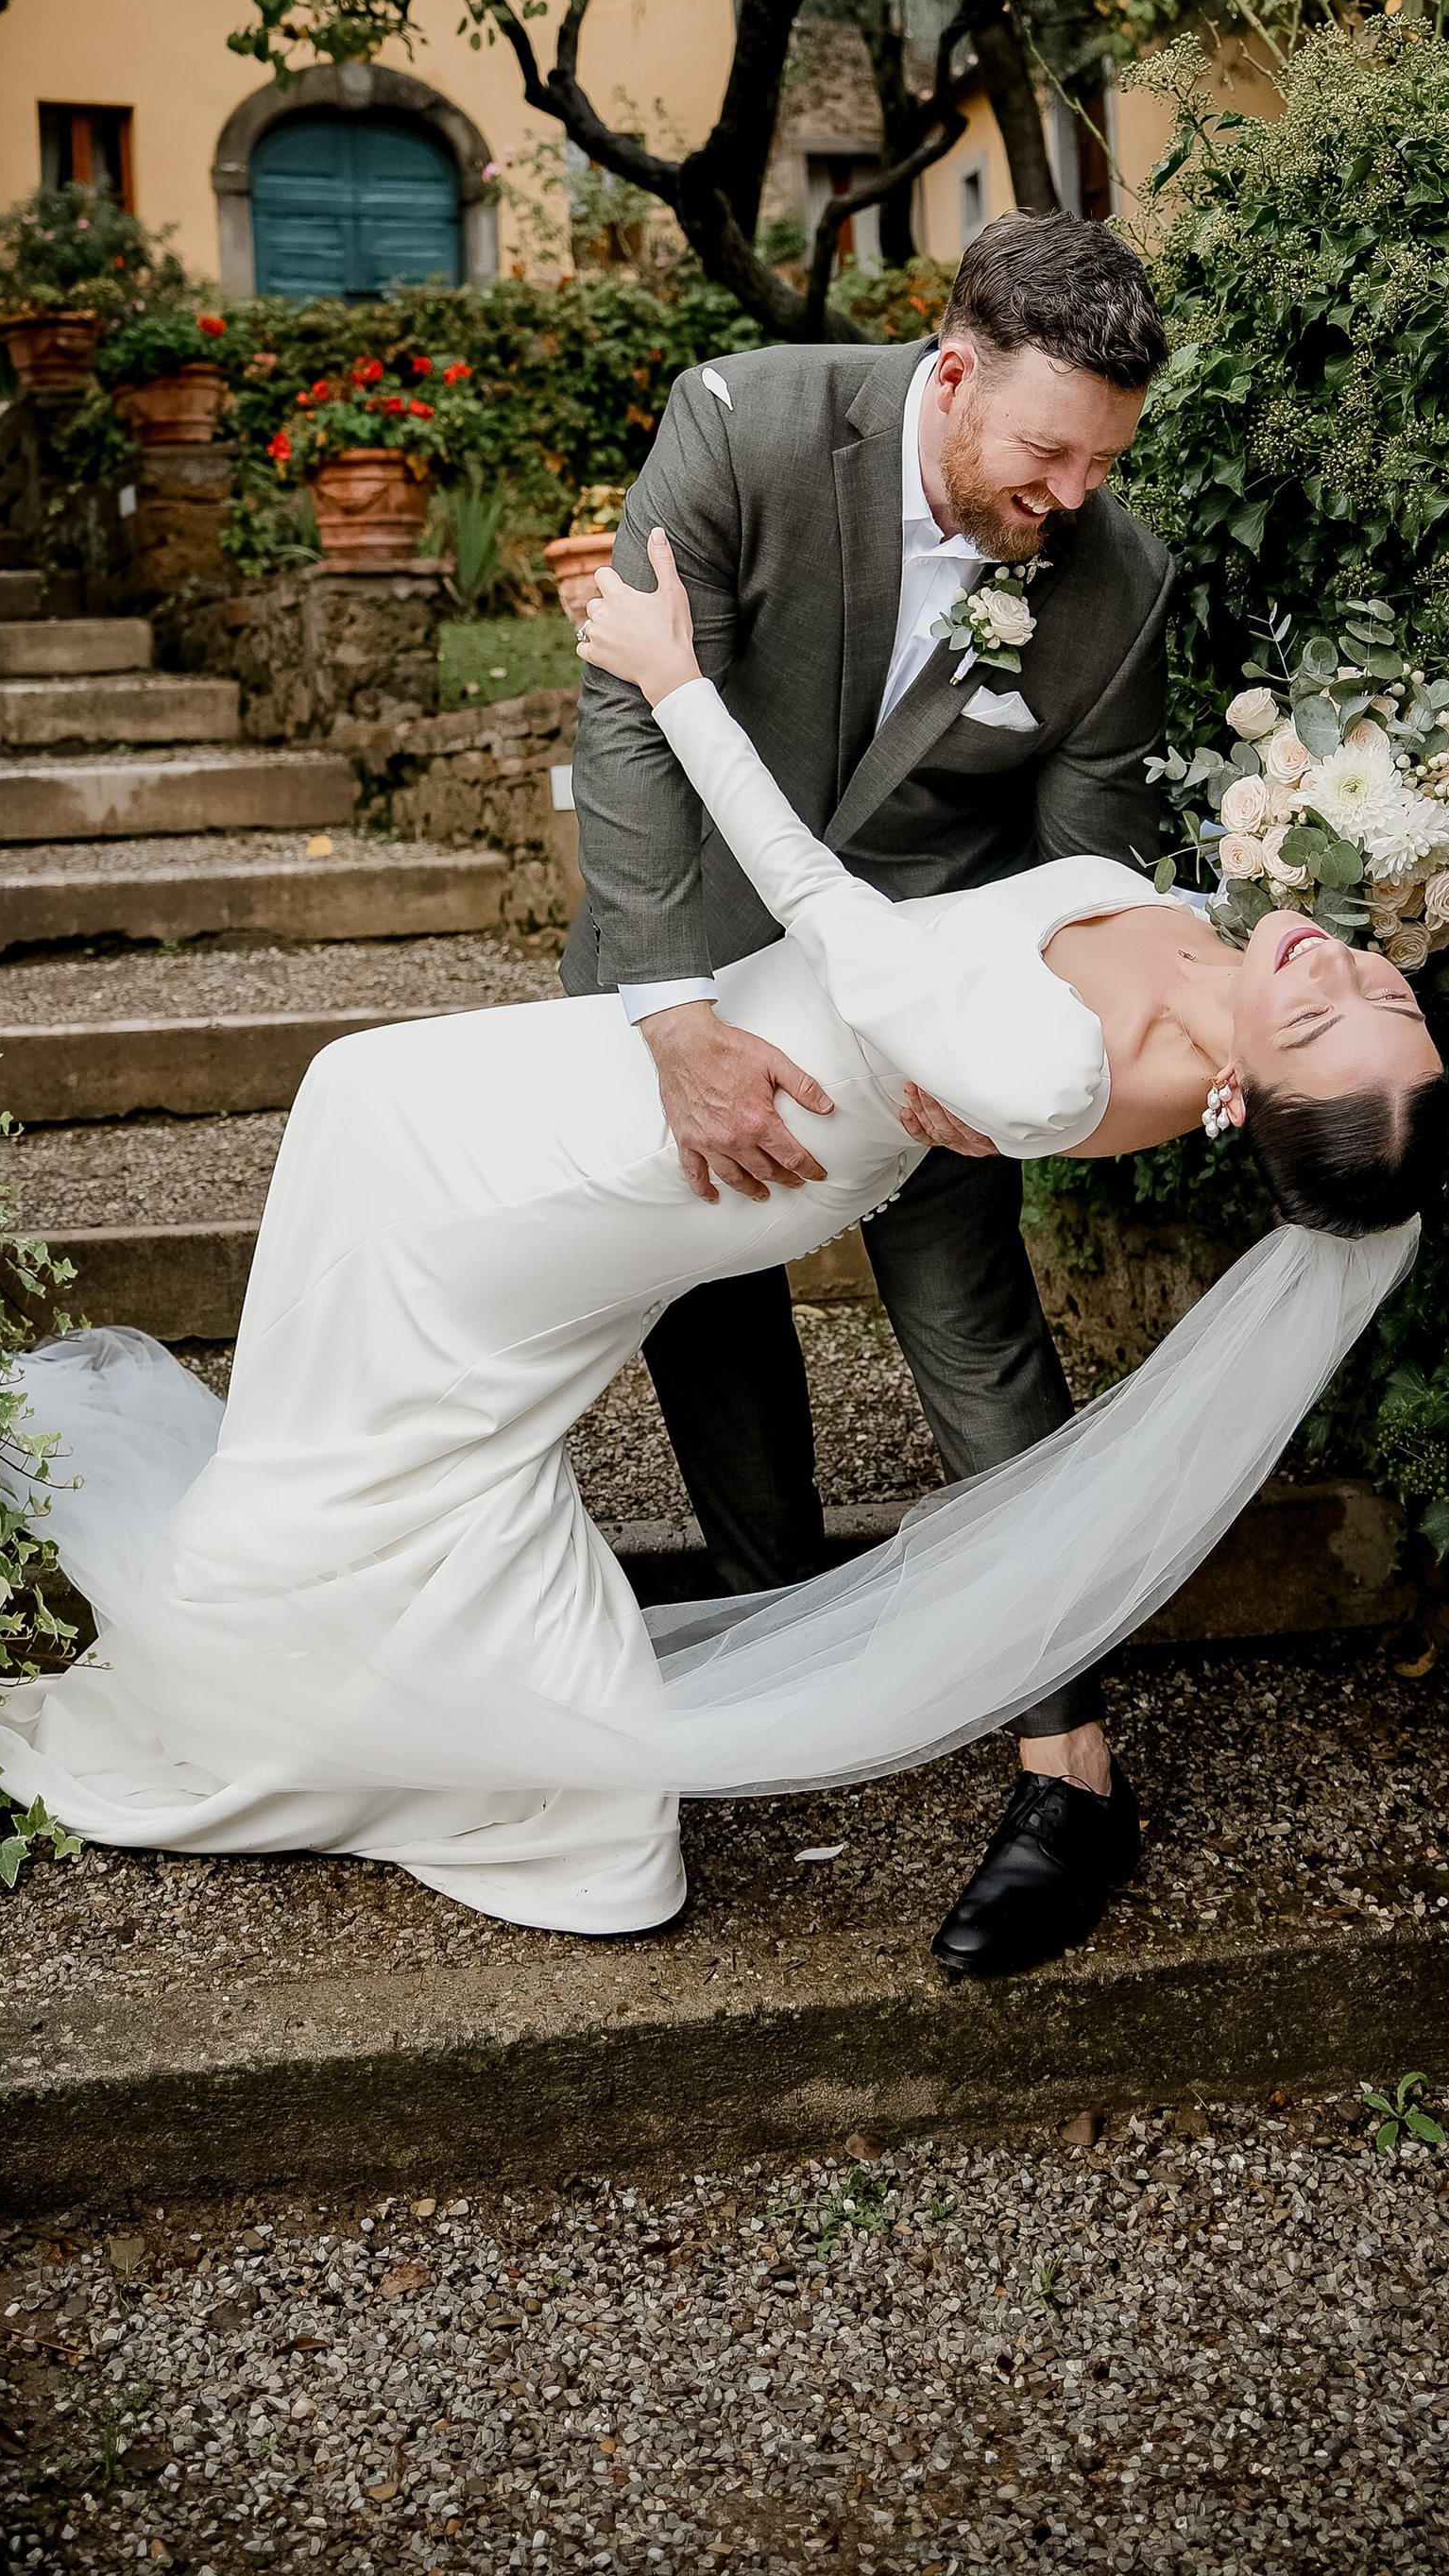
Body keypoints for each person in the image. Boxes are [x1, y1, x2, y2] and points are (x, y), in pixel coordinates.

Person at [0, 530, 1444, 1952]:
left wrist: (674, 678)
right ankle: (335, 1644)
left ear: (1244, 1098)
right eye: (1383, 989)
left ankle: (421, 1726)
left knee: (405, 1277)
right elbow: (1211, 933)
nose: (1340, 966)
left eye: (1322, 1018)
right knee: (369, 1148)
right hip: (650, 1071)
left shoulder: (1058, 1078)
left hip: (703, 1138)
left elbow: (829, 912)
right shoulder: (1223, 933)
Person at [564, 213, 1179, 1978]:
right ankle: (782, 1628)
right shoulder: (748, 425)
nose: (1068, 493)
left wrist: (1008, 1054)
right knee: (703, 1291)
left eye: (1103, 460)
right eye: (1045, 450)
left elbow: (1081, 871)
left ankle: (1072, 1766)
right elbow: (628, 710)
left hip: (923, 1008)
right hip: (688, 945)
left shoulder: (1115, 580)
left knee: (980, 1344)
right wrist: (671, 1011)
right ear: (955, 365)